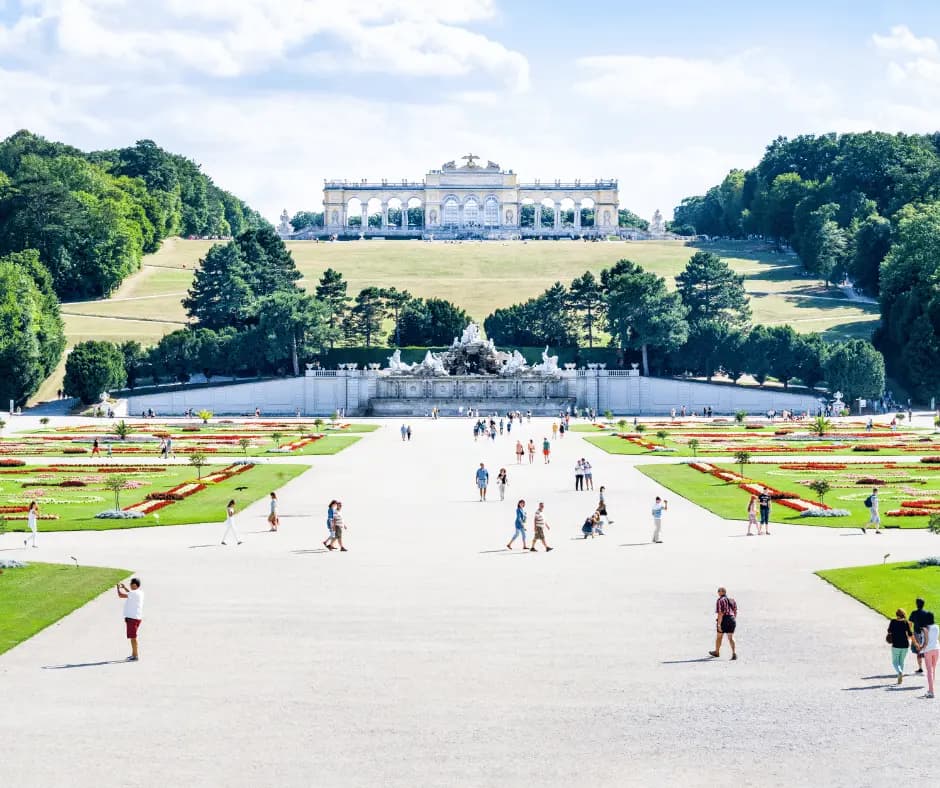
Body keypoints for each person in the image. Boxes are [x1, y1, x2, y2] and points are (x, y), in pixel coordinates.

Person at [116, 577, 144, 661]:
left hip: (132, 619)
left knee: (133, 637)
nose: (130, 585)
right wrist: (124, 588)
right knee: (133, 637)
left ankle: (135, 656)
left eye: (131, 584)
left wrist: (118, 588)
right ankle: (133, 654)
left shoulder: (133, 593)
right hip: (136, 618)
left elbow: (120, 595)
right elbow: (130, 594)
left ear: (134, 585)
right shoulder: (139, 592)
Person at [709, 587, 738, 660]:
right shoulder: (732, 600)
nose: (718, 592)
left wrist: (719, 624)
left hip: (724, 619)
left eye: (718, 591)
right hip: (732, 619)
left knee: (719, 636)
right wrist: (733, 619)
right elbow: (735, 611)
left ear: (722, 592)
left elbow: (720, 613)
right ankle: (734, 653)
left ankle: (717, 652)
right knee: (730, 637)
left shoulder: (720, 600)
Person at [887, 609, 913, 684]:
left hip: (896, 644)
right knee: (901, 661)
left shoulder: (893, 621)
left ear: (896, 614)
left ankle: (899, 672)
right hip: (905, 645)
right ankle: (900, 677)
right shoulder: (906, 622)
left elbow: (889, 631)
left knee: (895, 662)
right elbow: (910, 634)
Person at [919, 611, 938, 698]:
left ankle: (931, 691)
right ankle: (932, 688)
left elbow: (925, 642)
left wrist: (920, 650)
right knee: (933, 669)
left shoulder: (925, 629)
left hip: (928, 651)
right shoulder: (936, 626)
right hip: (937, 649)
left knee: (929, 671)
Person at [910, 598, 931, 674]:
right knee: (926, 650)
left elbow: (910, 624)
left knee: (918, 651)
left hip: (917, 634)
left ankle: (920, 668)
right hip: (925, 634)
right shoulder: (927, 613)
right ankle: (928, 668)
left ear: (916, 604)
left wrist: (910, 633)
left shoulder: (914, 613)